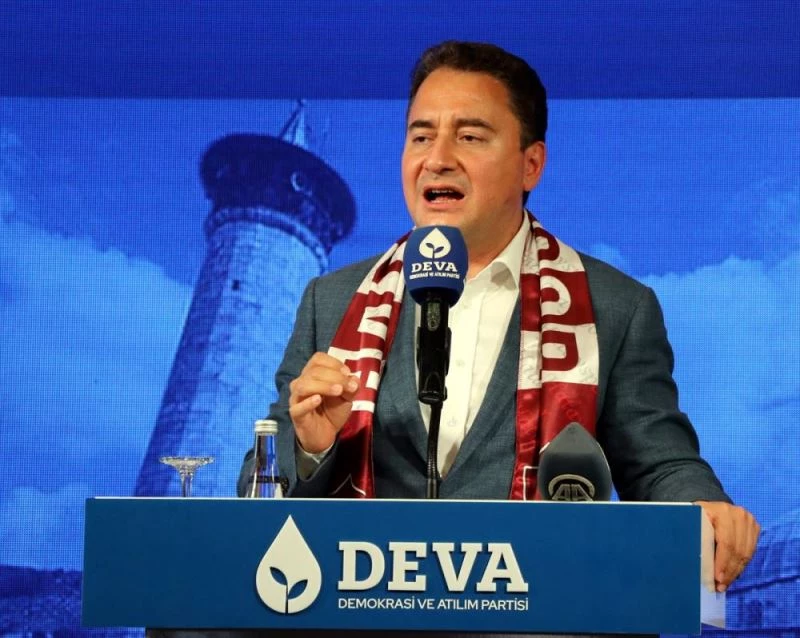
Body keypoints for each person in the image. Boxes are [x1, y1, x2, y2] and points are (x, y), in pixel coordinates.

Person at [238, 40, 759, 596]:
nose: (437, 158)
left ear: (530, 164)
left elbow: (659, 464)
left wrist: (704, 505)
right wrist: (311, 447)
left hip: (543, 609)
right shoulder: (333, 300)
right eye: (421, 136)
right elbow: (254, 486)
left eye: (469, 136)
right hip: (363, 608)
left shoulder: (614, 307)